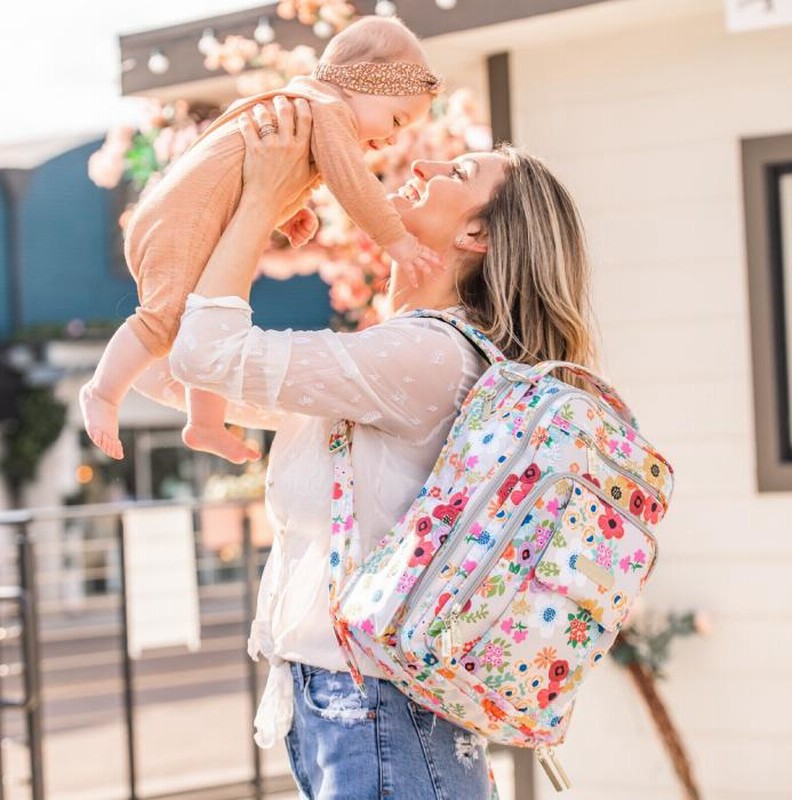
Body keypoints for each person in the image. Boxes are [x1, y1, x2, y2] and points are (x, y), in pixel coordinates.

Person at [135, 95, 596, 799]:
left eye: (459, 170)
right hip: (349, 711)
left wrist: (258, 200)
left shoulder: (427, 359)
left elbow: (205, 355)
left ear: (477, 233)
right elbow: (169, 370)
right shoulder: (397, 360)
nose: (428, 161)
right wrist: (207, 222)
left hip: (378, 718)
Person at [80, 15, 443, 465]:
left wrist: (290, 213)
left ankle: (206, 424)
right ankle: (102, 392)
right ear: (361, 81)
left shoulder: (305, 108)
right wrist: (397, 241)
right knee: (167, 320)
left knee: (202, 317)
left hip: (185, 218)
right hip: (178, 222)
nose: (391, 137)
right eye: (395, 119)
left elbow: (249, 173)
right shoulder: (328, 109)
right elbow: (353, 183)